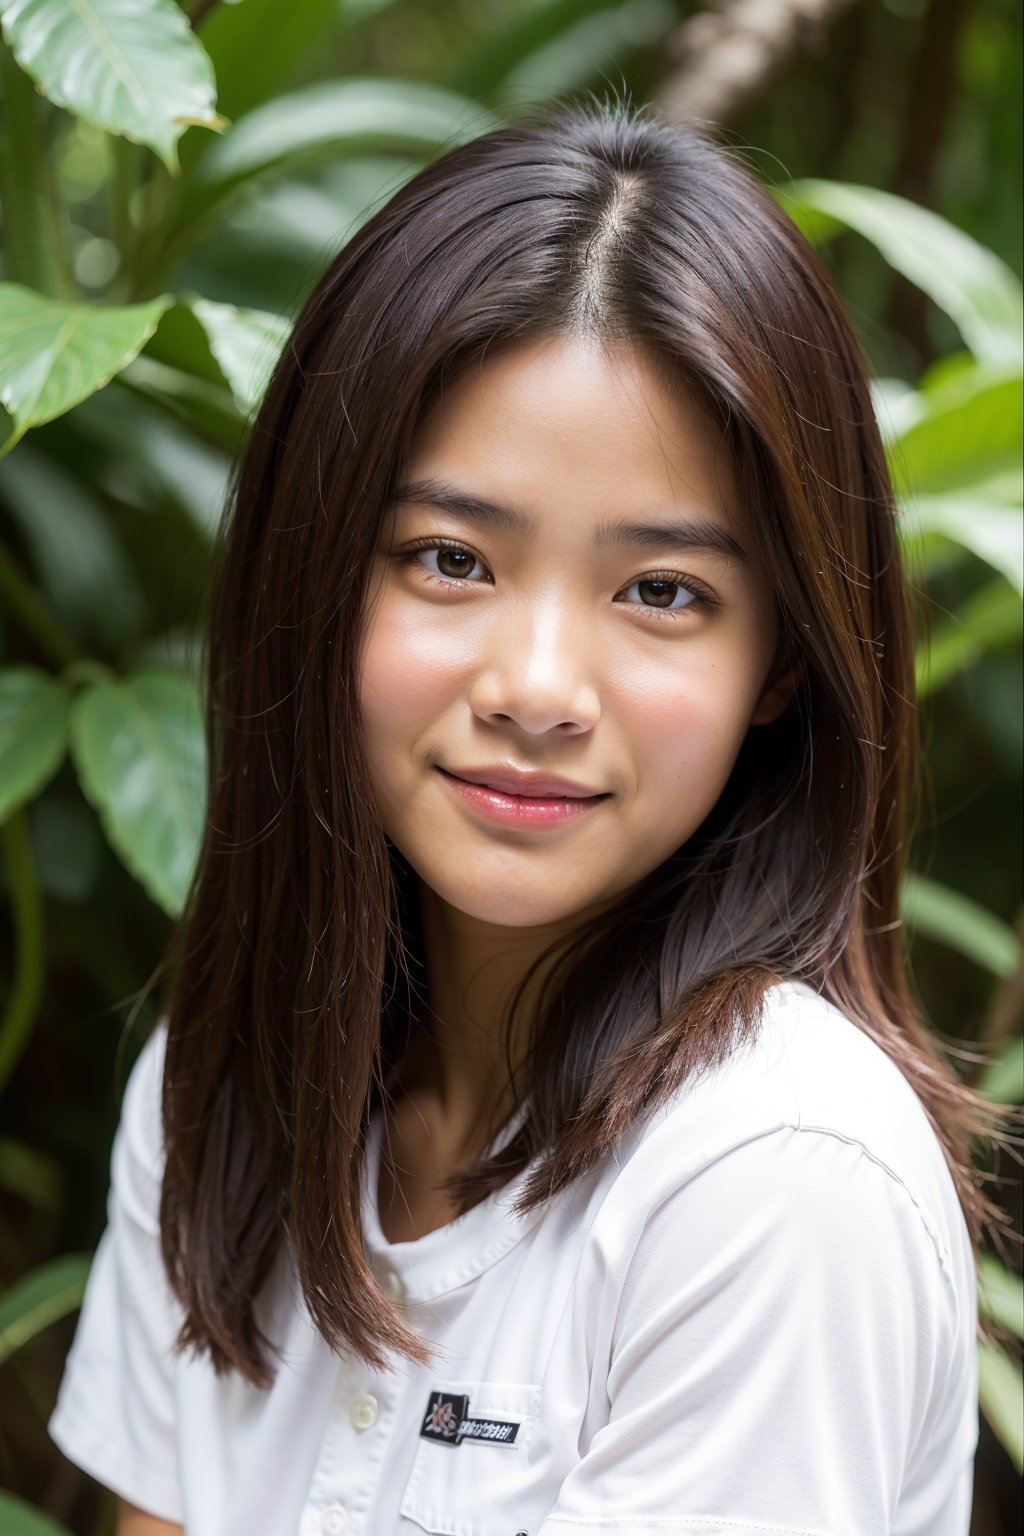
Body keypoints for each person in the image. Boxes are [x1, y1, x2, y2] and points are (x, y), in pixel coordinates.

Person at [48, 94, 1016, 1536]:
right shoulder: (227, 1088)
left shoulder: (773, 1177)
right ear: (317, 577)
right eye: (450, 558)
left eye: (663, 593)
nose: (541, 687)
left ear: (783, 663)